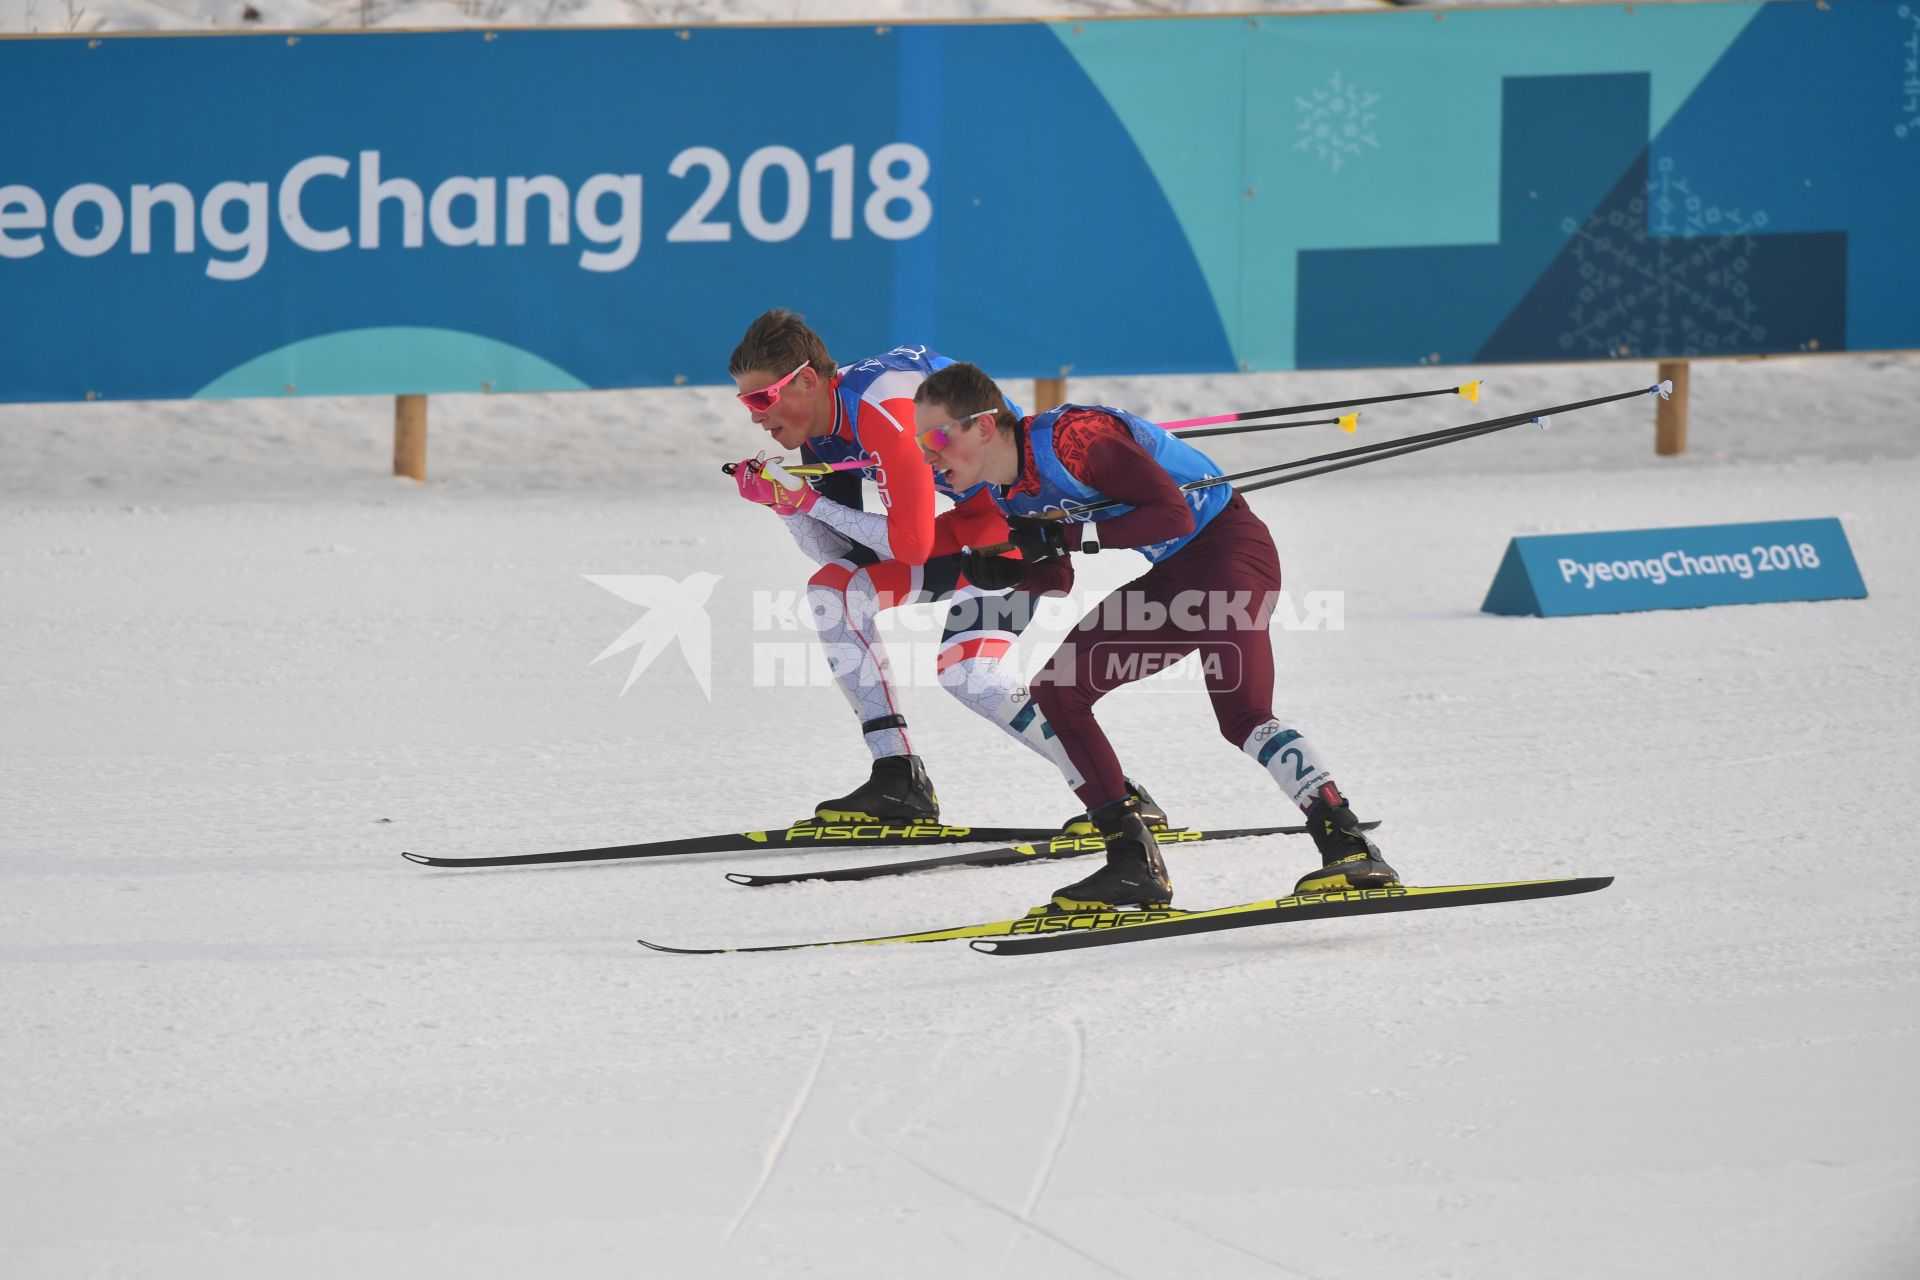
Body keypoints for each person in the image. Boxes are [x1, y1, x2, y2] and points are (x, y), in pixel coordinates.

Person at [911, 361, 1398, 910]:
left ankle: (1349, 845)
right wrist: (1007, 573)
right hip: (1173, 577)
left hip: (1230, 553)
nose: (928, 454)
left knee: (1243, 717)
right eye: (920, 442)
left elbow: (1173, 515)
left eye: (935, 437)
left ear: (982, 425)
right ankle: (1131, 862)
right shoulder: (1005, 492)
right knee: (1058, 691)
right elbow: (1057, 574)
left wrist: (1065, 533)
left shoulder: (1075, 440)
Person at [727, 309, 1167, 829]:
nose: (755, 416)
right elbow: (838, 553)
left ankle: (1120, 798)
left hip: (1013, 528)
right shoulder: (823, 428)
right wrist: (786, 504)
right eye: (745, 402)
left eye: (761, 399)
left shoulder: (884, 409)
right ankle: (898, 778)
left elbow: (910, 546)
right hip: (965, 527)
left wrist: (806, 501)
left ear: (804, 381)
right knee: (835, 590)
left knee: (970, 673)